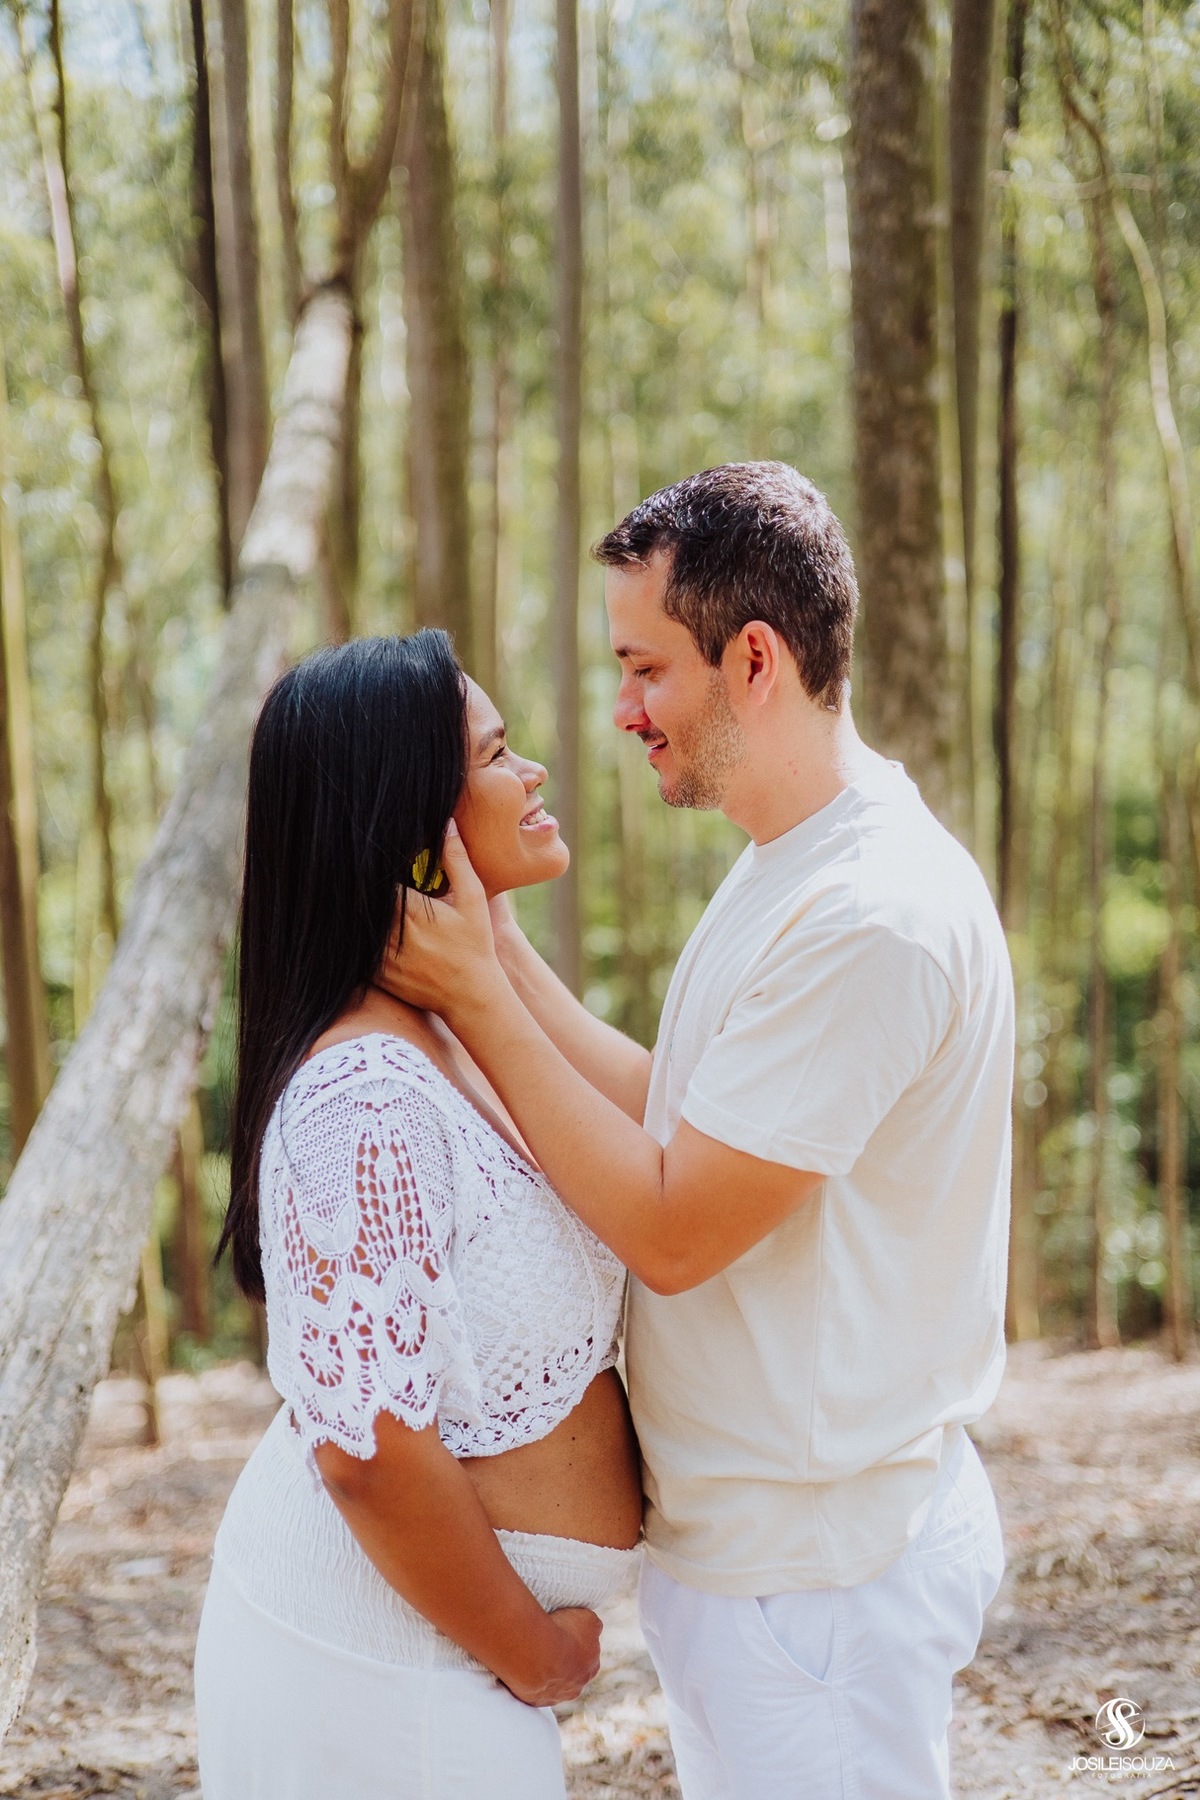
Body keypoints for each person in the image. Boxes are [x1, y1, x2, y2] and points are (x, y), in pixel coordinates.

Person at [386, 462, 1013, 1799]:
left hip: (822, 1586)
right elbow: (677, 1113)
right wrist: (500, 948)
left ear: (755, 658)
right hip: (760, 1567)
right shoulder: (791, 866)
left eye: (645, 669)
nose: (623, 712)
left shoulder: (872, 916)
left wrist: (479, 1000)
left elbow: (675, 1229)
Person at [194, 630, 642, 1800]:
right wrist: (536, 1654)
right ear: (410, 821)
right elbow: (366, 1453)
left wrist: (488, 952)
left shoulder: (451, 1037)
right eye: (498, 755)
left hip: (430, 1656)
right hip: (375, 1662)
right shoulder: (361, 1096)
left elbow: (674, 1133)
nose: (535, 771)